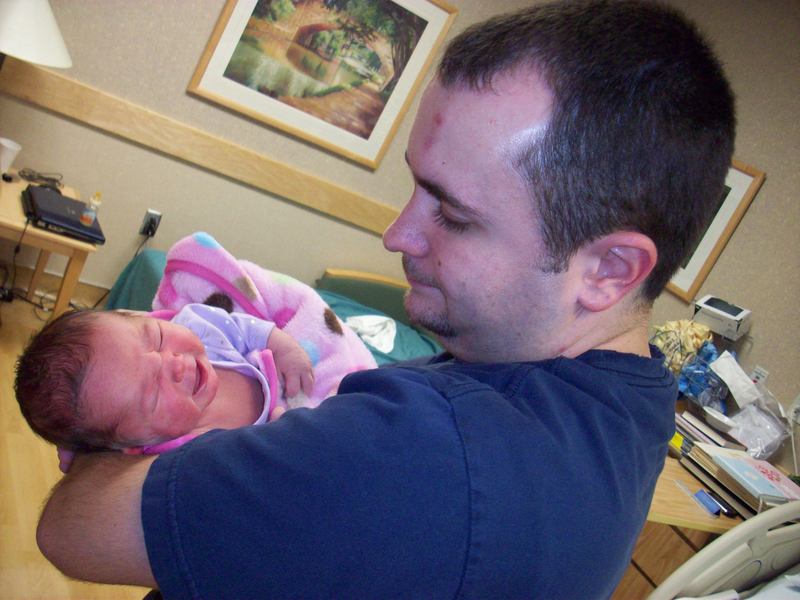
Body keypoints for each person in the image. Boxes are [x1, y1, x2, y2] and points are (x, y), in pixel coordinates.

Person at [35, 1, 735, 597]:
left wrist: (114, 404)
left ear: (610, 269)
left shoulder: (414, 455)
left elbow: (70, 532)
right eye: (415, 188)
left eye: (452, 214)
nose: (397, 235)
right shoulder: (634, 406)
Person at [15, 302, 316, 454]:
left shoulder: (198, 325)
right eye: (153, 394)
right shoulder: (193, 452)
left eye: (157, 337)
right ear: (132, 444)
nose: (175, 365)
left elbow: (246, 328)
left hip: (295, 381)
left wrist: (284, 347)